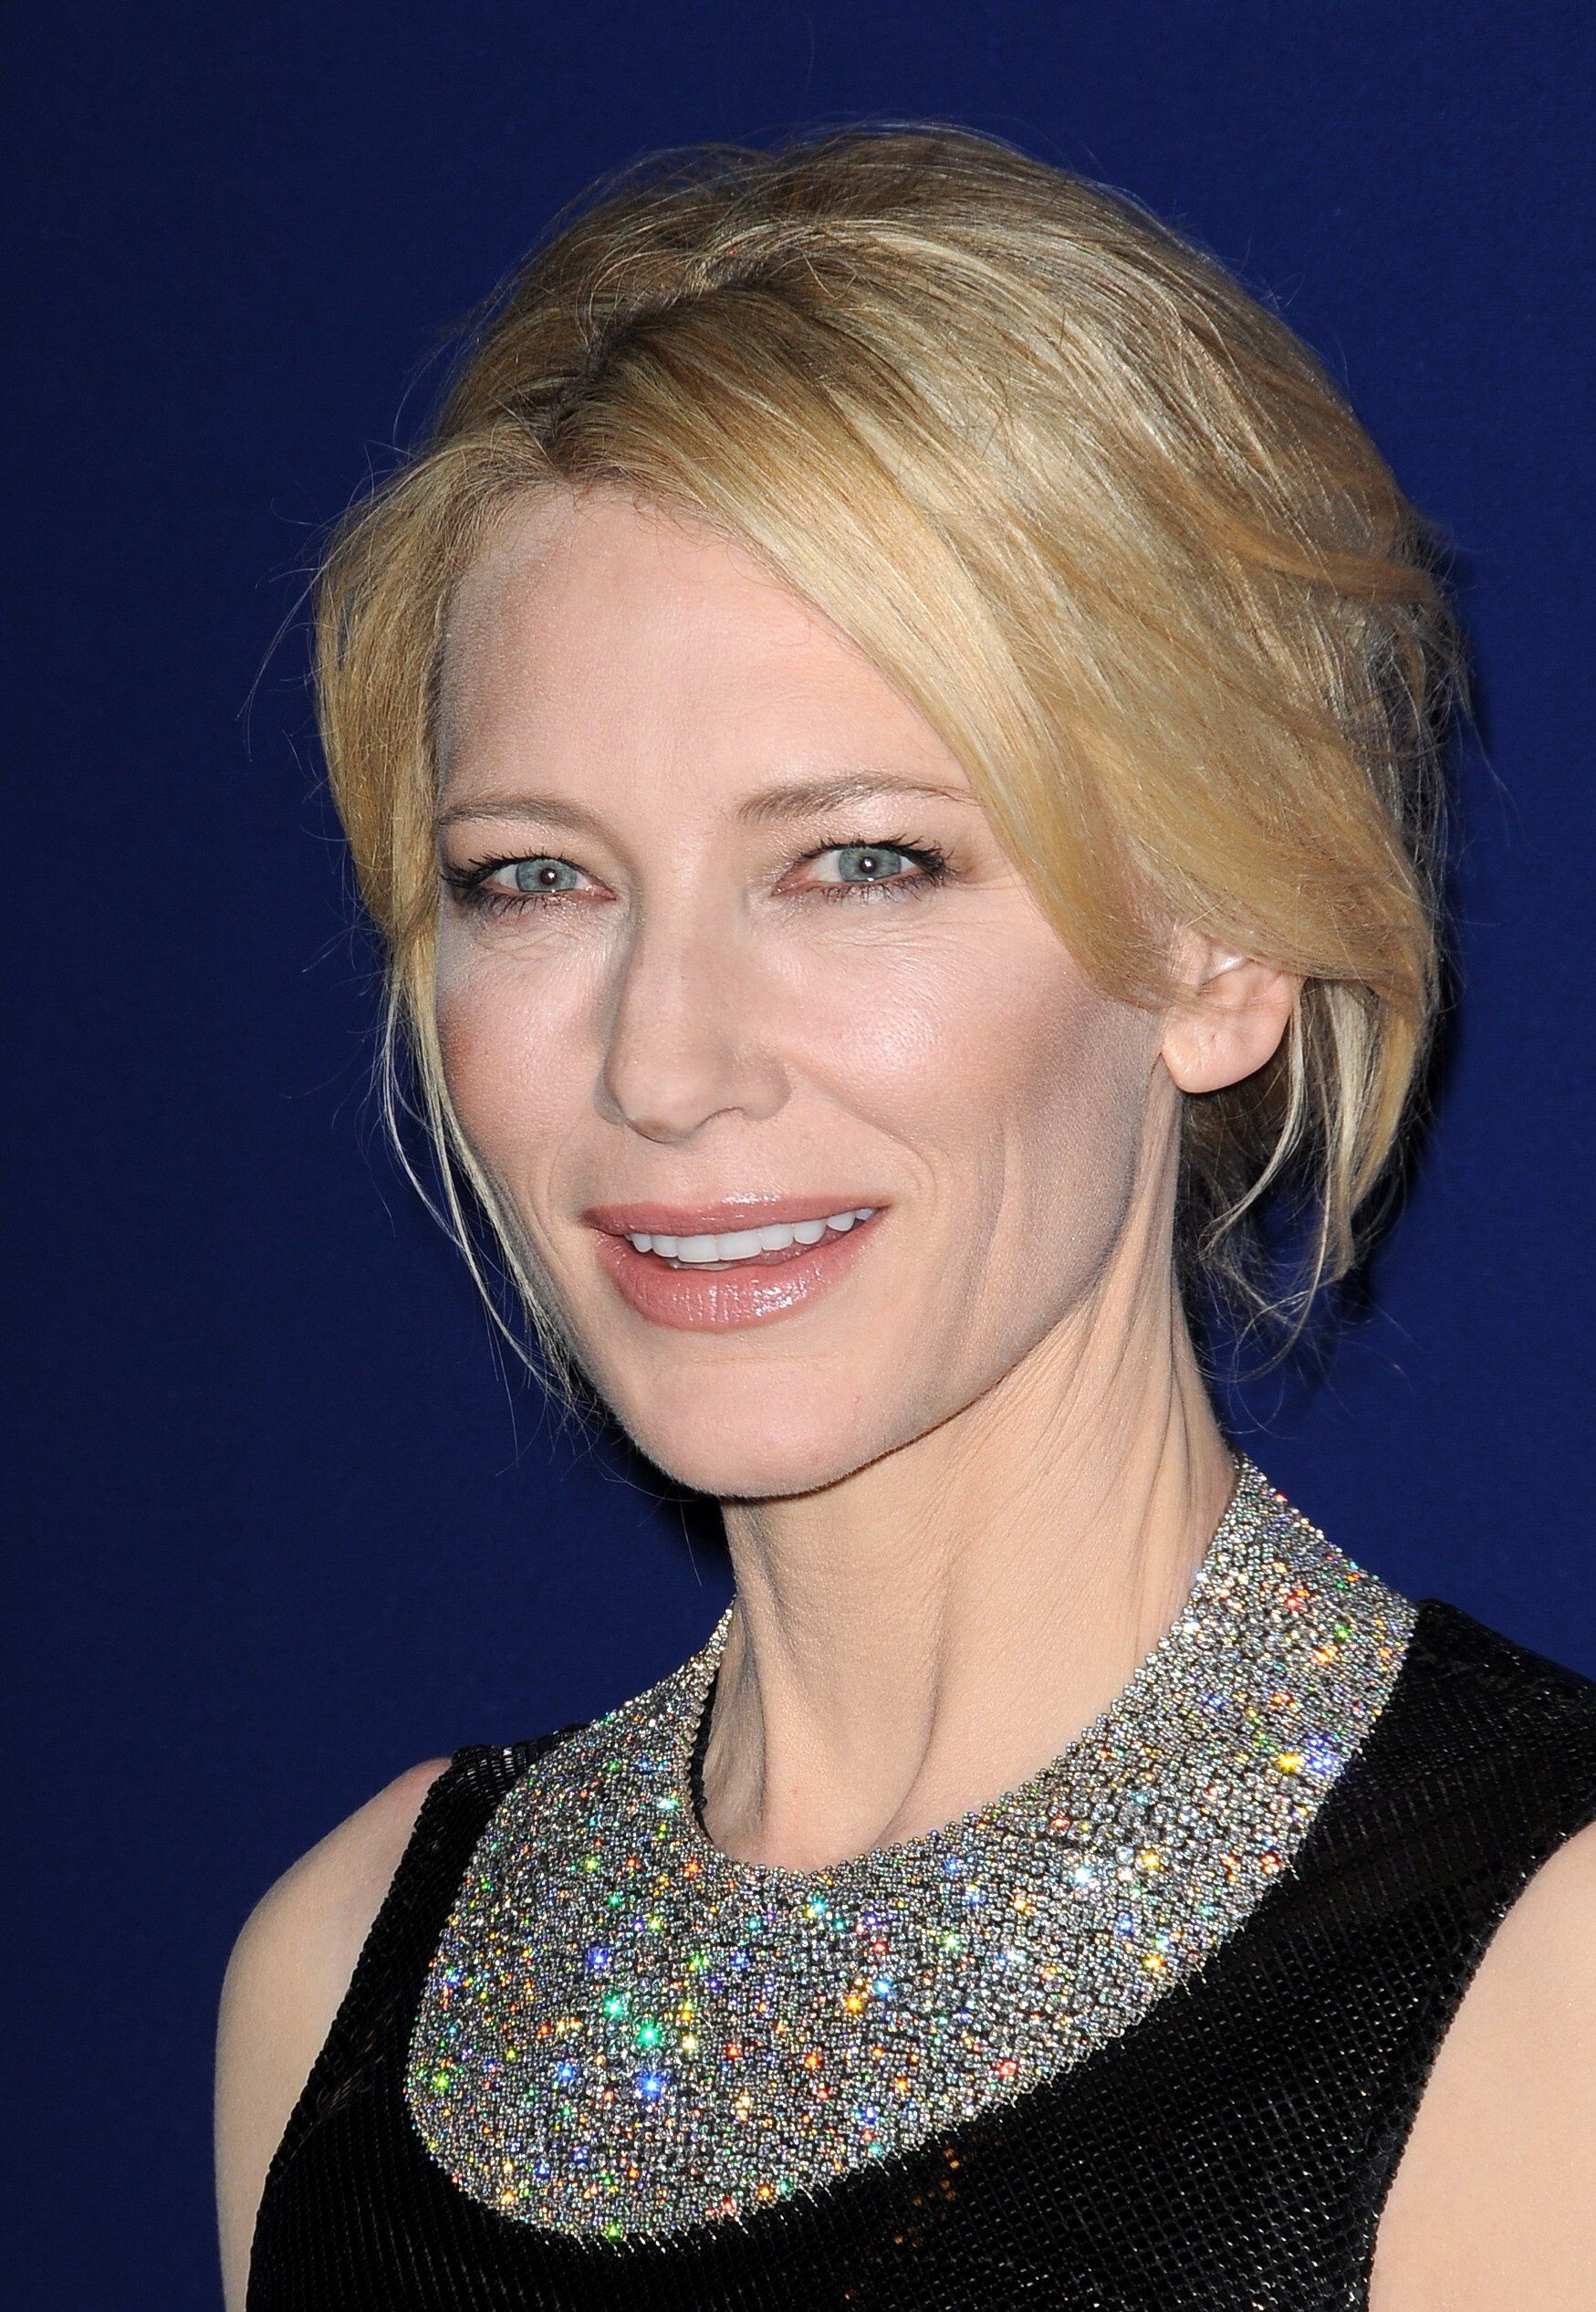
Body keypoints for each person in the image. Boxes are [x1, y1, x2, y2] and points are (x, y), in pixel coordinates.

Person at [214, 125, 1596, 2309]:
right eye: (534, 877)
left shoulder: (1549, 1995)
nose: (660, 1061)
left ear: (1221, 943)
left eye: (857, 862)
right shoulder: (338, 1982)